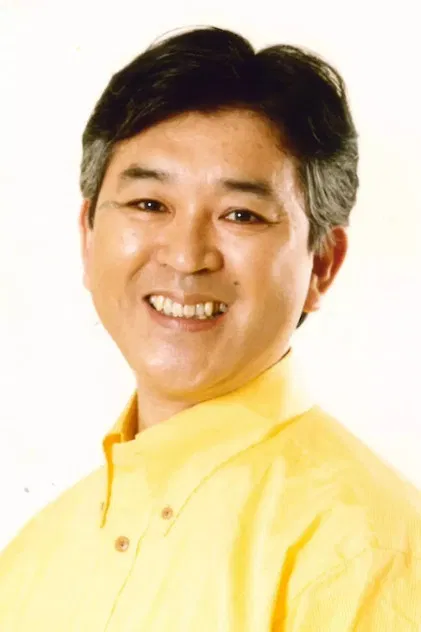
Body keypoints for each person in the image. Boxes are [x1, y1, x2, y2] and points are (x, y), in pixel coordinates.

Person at [0, 25, 420, 631]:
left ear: (322, 264)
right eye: (150, 205)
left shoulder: (361, 551)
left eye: (241, 214)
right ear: (88, 235)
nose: (186, 255)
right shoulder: (31, 559)